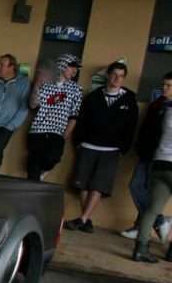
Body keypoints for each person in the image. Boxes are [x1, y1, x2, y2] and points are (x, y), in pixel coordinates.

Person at [64, 61, 139, 233]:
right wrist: (79, 142)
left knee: (98, 185)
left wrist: (123, 148)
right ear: (108, 75)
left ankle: (82, 218)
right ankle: (86, 219)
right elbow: (81, 120)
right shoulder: (93, 96)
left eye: (120, 76)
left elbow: (131, 127)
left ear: (124, 78)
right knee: (81, 183)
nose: (116, 78)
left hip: (111, 150)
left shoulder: (129, 99)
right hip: (88, 145)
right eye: (114, 74)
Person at [121, 74, 172, 242]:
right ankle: (157, 222)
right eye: (164, 84)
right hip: (149, 153)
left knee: (152, 194)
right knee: (136, 186)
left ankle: (143, 227)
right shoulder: (158, 104)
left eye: (169, 85)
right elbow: (147, 128)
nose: (165, 88)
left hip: (164, 158)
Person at [26, 54, 82, 181]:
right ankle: (31, 192)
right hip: (38, 129)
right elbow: (33, 104)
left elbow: (74, 115)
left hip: (57, 132)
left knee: (52, 158)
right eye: (71, 67)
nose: (75, 71)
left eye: (76, 68)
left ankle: (43, 173)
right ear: (62, 66)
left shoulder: (76, 89)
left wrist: (64, 137)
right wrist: (37, 84)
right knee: (33, 167)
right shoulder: (46, 84)